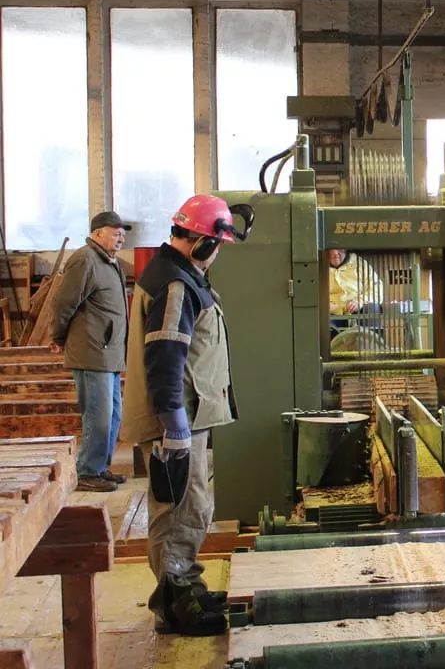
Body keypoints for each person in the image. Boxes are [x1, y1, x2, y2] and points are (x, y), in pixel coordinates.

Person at [122, 193, 252, 636]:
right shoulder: (176, 284)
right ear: (200, 242)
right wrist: (173, 420)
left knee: (189, 504)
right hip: (178, 419)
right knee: (179, 510)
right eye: (215, 245)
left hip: (186, 414)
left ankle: (185, 589)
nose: (216, 255)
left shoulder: (177, 275)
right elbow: (166, 352)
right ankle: (177, 607)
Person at [47, 211, 133, 492]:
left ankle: (99, 468)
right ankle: (86, 471)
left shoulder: (110, 262)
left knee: (112, 416)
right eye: (115, 232)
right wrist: (58, 336)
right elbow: (63, 303)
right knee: (97, 414)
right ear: (98, 234)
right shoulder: (85, 259)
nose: (121, 237)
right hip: (91, 352)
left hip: (108, 354)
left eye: (123, 233)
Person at [328, 248, 385, 321]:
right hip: (331, 313)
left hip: (359, 311)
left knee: (372, 308)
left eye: (339, 249)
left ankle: (369, 332)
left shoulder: (360, 264)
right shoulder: (317, 267)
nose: (335, 253)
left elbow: (376, 290)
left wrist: (360, 301)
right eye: (330, 249)